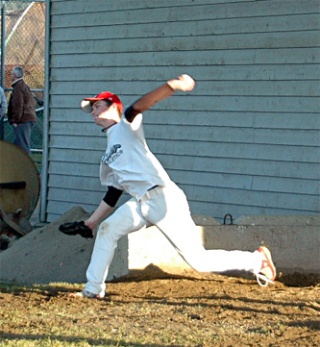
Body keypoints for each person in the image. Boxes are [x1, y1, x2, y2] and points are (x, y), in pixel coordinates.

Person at [59, 74, 276, 299]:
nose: (93, 110)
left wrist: (172, 86)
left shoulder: (126, 126)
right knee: (107, 229)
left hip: (163, 197)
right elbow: (113, 193)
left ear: (114, 106)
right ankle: (93, 289)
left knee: (198, 261)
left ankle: (257, 260)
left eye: (97, 105)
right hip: (140, 202)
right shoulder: (107, 156)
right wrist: (91, 222)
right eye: (91, 108)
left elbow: (140, 106)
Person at [7, 66, 37, 154]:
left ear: (15, 75)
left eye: (12, 74)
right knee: (19, 144)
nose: (11, 76)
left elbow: (18, 105)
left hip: (23, 120)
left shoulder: (18, 88)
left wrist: (15, 120)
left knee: (23, 145)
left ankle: (27, 165)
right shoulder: (23, 86)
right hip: (28, 118)